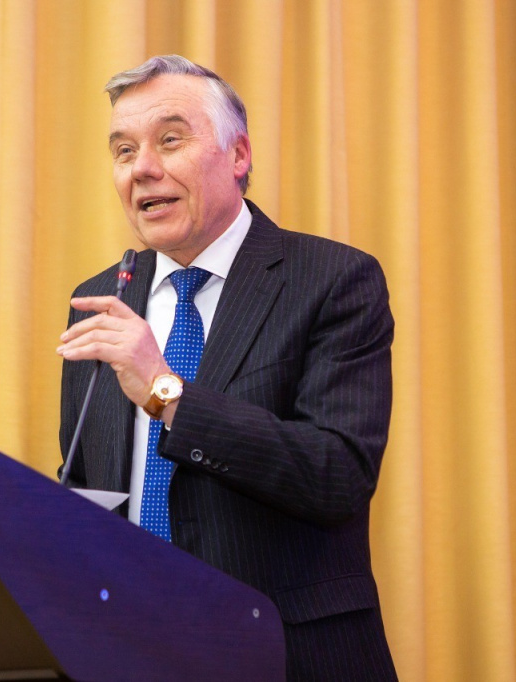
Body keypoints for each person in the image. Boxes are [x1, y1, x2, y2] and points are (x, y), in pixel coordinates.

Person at [56, 55, 396, 681]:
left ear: (238, 155)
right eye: (124, 151)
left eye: (169, 140)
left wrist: (165, 393)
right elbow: (84, 482)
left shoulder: (332, 280)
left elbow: (337, 475)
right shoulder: (103, 297)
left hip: (287, 656)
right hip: (133, 655)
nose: (142, 168)